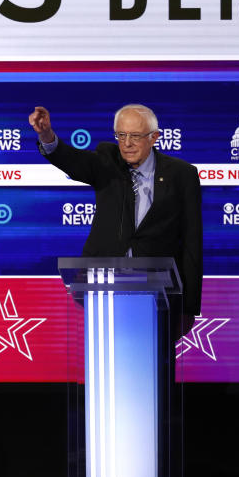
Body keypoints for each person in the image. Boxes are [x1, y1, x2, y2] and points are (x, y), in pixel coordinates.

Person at [28, 104, 202, 339]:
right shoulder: (107, 161)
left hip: (159, 291)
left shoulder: (182, 174)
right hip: (103, 284)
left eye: (135, 136)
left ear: (154, 137)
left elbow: (192, 242)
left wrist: (189, 307)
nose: (127, 143)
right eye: (121, 135)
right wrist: (46, 135)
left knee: (157, 362)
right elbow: (71, 159)